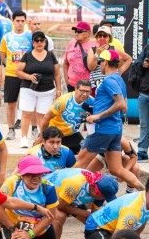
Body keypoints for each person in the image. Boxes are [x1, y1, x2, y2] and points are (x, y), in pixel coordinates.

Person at [0, 156, 78, 239]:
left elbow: (51, 216)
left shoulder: (48, 188)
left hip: (40, 223)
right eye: (30, 174)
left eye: (39, 174)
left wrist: (30, 234)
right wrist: (12, 229)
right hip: (14, 222)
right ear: (22, 175)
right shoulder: (11, 183)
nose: (36, 178)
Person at [77, 50, 144, 190]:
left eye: (100, 61)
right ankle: (143, 193)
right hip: (115, 130)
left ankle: (62, 200)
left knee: (80, 164)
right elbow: (124, 108)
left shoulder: (109, 80)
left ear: (106, 62)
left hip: (103, 129)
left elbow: (121, 104)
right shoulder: (119, 79)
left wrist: (98, 115)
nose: (99, 64)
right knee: (116, 169)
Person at [15, 31, 60, 147]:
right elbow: (18, 71)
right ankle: (24, 138)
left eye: (42, 40)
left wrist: (59, 90)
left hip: (47, 90)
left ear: (45, 42)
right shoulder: (27, 56)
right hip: (29, 89)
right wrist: (29, 77)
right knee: (26, 113)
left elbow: (57, 74)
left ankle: (43, 137)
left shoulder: (51, 56)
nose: (39, 43)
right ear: (33, 43)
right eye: (37, 40)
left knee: (43, 115)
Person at [84, 178, 149, 239]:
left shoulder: (144, 199)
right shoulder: (133, 210)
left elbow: (140, 226)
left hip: (114, 229)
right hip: (96, 228)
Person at [47, 168, 117, 239]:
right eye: (104, 197)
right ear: (96, 192)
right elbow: (59, 206)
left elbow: (94, 217)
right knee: (60, 216)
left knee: (96, 224)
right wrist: (84, 213)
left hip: (71, 198)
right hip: (48, 192)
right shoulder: (74, 184)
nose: (104, 199)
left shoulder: (99, 188)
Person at [36, 81, 94, 154]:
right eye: (82, 91)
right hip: (54, 133)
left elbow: (98, 117)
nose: (85, 94)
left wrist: (91, 118)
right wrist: (42, 137)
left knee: (85, 152)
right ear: (76, 89)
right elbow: (46, 118)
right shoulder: (63, 100)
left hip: (72, 133)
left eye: (87, 91)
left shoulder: (91, 101)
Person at [0, 11, 30, 140]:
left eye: (22, 21)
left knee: (28, 104)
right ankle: (11, 130)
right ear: (13, 21)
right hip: (11, 74)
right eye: (18, 21)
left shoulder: (29, 36)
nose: (20, 23)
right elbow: (2, 56)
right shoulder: (6, 37)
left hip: (26, 74)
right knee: (11, 103)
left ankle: (32, 130)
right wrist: (11, 67)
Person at [86, 26, 131, 96]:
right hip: (96, 85)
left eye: (105, 36)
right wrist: (97, 54)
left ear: (109, 38)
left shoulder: (114, 49)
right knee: (97, 105)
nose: (102, 38)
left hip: (112, 83)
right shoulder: (92, 50)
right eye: (99, 36)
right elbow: (91, 67)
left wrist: (120, 71)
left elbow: (129, 59)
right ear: (97, 38)